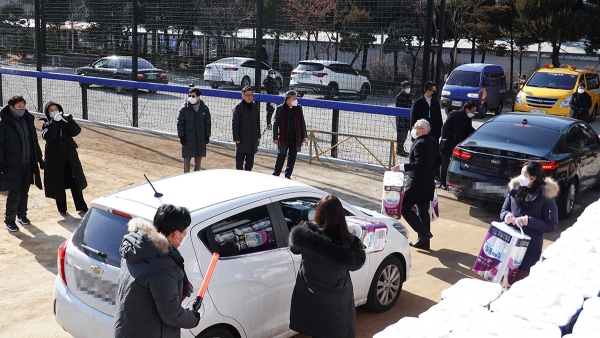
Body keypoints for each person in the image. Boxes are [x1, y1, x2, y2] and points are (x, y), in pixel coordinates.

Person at [114, 204, 200, 338]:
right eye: (184, 232)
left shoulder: (136, 248)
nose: (185, 235)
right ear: (175, 233)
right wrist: (192, 318)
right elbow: (171, 314)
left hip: (128, 329)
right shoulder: (161, 265)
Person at [288, 194, 366, 338]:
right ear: (341, 215)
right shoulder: (348, 240)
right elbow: (355, 264)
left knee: (316, 331)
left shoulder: (306, 232)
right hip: (336, 303)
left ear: (318, 212)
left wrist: (299, 228)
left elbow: (294, 248)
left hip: (311, 298)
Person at [500, 162, 558, 282]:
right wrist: (507, 215)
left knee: (519, 283)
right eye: (520, 173)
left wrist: (529, 221)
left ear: (533, 177)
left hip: (529, 249)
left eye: (524, 174)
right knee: (500, 279)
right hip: (509, 245)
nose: (520, 177)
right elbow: (503, 210)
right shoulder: (515, 189)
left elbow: (551, 225)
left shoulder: (545, 197)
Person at [392, 119, 440, 250]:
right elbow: (438, 162)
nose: (413, 129)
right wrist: (429, 172)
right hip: (428, 181)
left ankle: (423, 233)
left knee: (404, 208)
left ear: (422, 130)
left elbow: (418, 165)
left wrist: (402, 166)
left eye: (415, 127)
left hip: (417, 182)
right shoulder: (433, 141)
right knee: (423, 210)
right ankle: (424, 242)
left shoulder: (419, 144)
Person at [0, 95, 44, 232]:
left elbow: (33, 141)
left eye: (23, 106)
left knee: (24, 191)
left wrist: (39, 159)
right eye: (19, 107)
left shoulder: (28, 120)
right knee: (14, 193)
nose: (22, 109)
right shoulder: (3, 123)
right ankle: (9, 220)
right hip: (12, 165)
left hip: (27, 162)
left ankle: (22, 215)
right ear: (11, 107)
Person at [41, 101, 88, 215]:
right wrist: (54, 122)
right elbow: (48, 136)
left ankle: (82, 206)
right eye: (51, 110)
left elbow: (76, 131)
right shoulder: (47, 124)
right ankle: (62, 209)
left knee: (75, 182)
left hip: (69, 158)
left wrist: (70, 120)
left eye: (55, 109)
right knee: (59, 184)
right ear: (47, 113)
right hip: (55, 160)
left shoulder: (65, 123)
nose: (54, 112)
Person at [439, 100, 477, 189]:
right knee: (445, 163)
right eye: (472, 111)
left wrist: (476, 134)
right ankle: (443, 181)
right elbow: (445, 127)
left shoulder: (468, 118)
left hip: (458, 144)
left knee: (455, 163)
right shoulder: (454, 114)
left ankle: (452, 181)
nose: (473, 113)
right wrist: (444, 139)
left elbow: (469, 129)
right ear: (467, 109)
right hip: (447, 143)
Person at [273, 90, 308, 179]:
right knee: (281, 156)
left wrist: (305, 136)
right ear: (288, 99)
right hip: (284, 138)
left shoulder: (298, 108)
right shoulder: (280, 108)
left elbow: (302, 123)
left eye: (296, 98)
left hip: (295, 138)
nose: (296, 100)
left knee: (292, 158)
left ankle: (287, 175)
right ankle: (276, 175)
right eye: (294, 98)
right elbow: (275, 124)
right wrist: (275, 137)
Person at [177, 88, 211, 173]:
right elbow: (180, 123)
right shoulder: (184, 109)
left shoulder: (204, 109)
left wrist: (207, 135)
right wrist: (181, 136)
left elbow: (208, 123)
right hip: (187, 140)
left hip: (200, 140)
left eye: (193, 96)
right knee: (186, 163)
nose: (190, 98)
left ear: (198, 97)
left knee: (198, 163)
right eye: (189, 96)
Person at [232, 86, 261, 171]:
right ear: (243, 95)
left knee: (249, 163)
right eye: (247, 95)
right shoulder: (238, 108)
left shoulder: (255, 107)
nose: (249, 97)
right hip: (241, 139)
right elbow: (235, 124)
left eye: (251, 95)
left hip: (252, 140)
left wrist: (257, 135)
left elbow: (257, 122)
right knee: (239, 163)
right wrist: (236, 138)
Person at [395, 81, 412, 157]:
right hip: (401, 119)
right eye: (407, 87)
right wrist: (401, 119)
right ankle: (399, 149)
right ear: (402, 88)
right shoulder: (399, 97)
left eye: (409, 87)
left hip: (407, 118)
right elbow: (398, 109)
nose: (408, 89)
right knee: (400, 135)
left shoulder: (409, 96)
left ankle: (402, 148)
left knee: (405, 135)